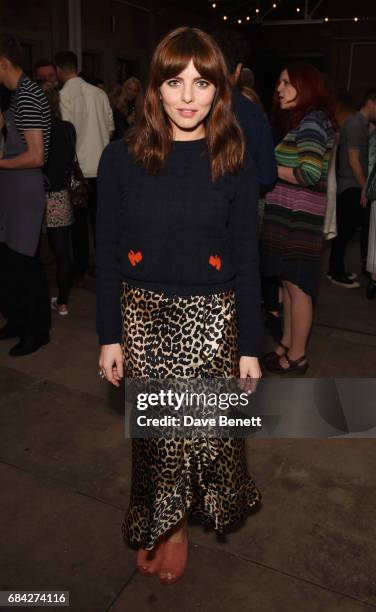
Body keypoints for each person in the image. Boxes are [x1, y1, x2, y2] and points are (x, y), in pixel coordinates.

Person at [96, 27, 263, 585]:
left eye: (201, 82)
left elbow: (246, 257)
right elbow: (109, 254)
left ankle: (176, 524)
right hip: (142, 321)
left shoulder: (232, 159)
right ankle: (169, 527)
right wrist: (109, 335)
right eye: (175, 81)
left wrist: (250, 347)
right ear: (155, 88)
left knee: (205, 442)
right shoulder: (120, 159)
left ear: (219, 90)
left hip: (212, 323)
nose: (188, 96)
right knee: (158, 444)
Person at [261, 63, 335, 374]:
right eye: (278, 81)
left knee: (299, 288)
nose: (279, 88)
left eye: (287, 82)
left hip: (298, 221)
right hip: (291, 219)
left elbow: (309, 172)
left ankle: (297, 356)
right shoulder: (305, 122)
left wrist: (266, 168)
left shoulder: (312, 123)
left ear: (305, 87)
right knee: (289, 286)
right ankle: (287, 345)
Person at [0, 34, 51, 356]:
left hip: (25, 187)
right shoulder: (16, 95)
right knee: (11, 262)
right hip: (11, 187)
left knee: (26, 264)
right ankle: (18, 320)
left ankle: (37, 330)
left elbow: (36, 156)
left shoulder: (28, 96)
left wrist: (0, 161)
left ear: (3, 63)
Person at [55, 50, 114, 278]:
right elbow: (110, 129)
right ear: (76, 67)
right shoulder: (99, 93)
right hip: (102, 166)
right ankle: (104, 264)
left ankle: (80, 265)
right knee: (101, 220)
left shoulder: (63, 96)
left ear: (60, 70)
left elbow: (66, 133)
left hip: (77, 169)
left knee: (78, 223)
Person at [328, 90, 376, 287]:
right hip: (352, 186)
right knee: (346, 231)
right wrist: (365, 187)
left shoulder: (360, 124)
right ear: (371, 103)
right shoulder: (356, 124)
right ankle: (335, 271)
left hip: (354, 185)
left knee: (349, 230)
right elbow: (353, 159)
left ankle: (338, 269)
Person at [42, 85, 76, 315]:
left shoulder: (32, 129)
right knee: (63, 252)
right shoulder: (67, 129)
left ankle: (33, 302)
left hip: (34, 194)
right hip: (59, 195)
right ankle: (62, 302)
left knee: (29, 253)